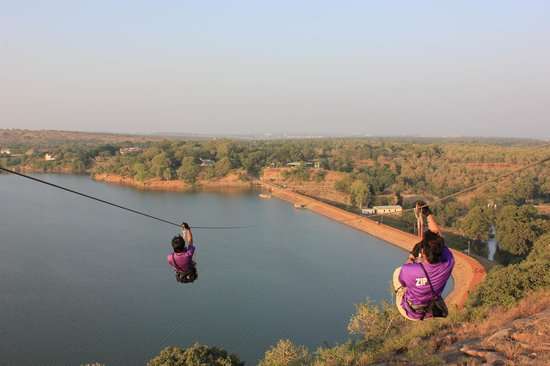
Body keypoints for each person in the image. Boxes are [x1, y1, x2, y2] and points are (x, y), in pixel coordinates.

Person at [393, 207, 454, 321]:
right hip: (430, 306)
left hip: (411, 312)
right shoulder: (449, 261)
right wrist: (428, 213)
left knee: (397, 272)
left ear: (423, 253)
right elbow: (437, 235)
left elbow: (403, 279)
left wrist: (412, 256)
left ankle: (404, 296)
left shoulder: (410, 270)